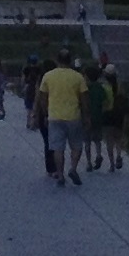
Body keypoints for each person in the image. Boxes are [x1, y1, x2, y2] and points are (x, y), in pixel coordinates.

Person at [38, 54, 88, 186]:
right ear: (70, 61)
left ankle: (60, 175)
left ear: (57, 60)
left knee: (57, 148)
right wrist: (86, 116)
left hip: (54, 116)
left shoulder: (48, 76)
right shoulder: (78, 77)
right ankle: (73, 168)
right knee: (76, 146)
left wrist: (45, 113)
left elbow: (43, 97)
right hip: (73, 116)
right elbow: (83, 99)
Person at [91, 62, 127, 172]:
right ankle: (119, 155)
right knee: (118, 137)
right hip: (119, 114)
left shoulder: (104, 86)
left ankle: (111, 164)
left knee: (109, 140)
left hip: (107, 114)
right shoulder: (120, 86)